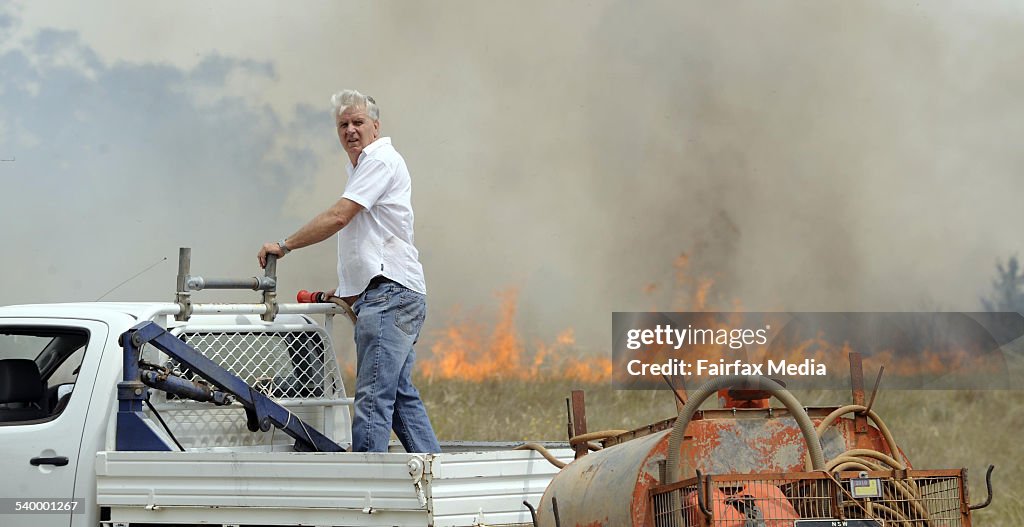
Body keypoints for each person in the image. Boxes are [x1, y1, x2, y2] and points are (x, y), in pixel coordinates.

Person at [257, 89, 440, 453]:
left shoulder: (379, 160)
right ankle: (435, 475)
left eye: (358, 122)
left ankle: (364, 490)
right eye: (343, 125)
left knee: (372, 396)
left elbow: (339, 216)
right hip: (390, 293)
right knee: (398, 395)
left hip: (390, 295)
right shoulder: (363, 168)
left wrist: (285, 245)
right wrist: (351, 290)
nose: (350, 130)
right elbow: (367, 240)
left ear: (376, 126)